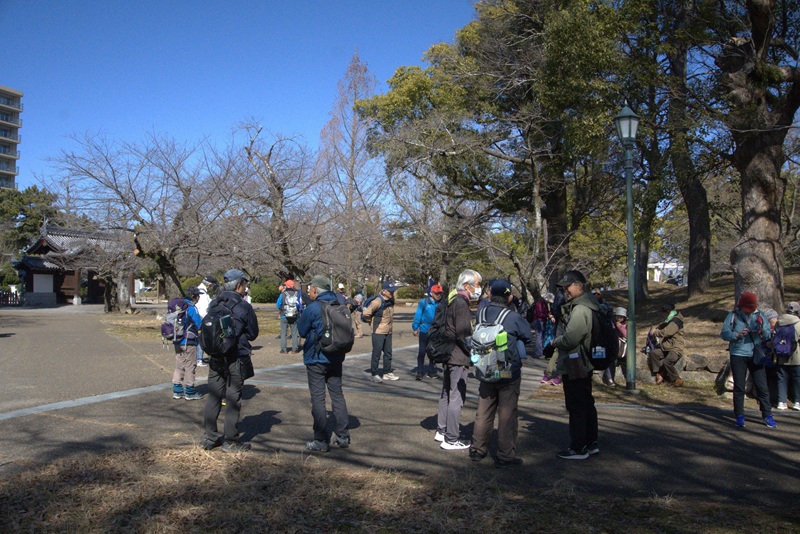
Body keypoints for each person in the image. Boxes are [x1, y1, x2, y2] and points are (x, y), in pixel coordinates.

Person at [468, 279, 532, 468]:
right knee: (507, 414)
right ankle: (505, 456)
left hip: (485, 368)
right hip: (506, 370)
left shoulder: (481, 313)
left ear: (490, 294)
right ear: (509, 297)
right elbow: (527, 336)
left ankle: (477, 449)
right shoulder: (512, 317)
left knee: (483, 410)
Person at [203, 269, 260, 452]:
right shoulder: (243, 306)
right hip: (235, 355)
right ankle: (231, 441)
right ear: (238, 285)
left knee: (214, 395)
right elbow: (253, 334)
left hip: (215, 355)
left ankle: (210, 437)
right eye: (244, 284)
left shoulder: (215, 303)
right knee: (233, 396)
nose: (245, 288)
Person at [547, 270, 599, 460]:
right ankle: (590, 443)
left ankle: (578, 447)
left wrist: (555, 342)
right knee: (586, 403)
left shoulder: (580, 309)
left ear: (579, 286)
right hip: (585, 362)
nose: (565, 291)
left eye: (568, 287)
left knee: (577, 405)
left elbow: (571, 339)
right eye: (563, 288)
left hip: (577, 363)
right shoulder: (590, 304)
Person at [297, 275, 351, 452]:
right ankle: (343, 436)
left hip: (316, 358)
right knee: (337, 395)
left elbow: (302, 331)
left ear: (315, 289)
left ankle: (320, 439)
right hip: (336, 356)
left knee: (318, 398)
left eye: (310, 289)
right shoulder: (339, 305)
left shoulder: (313, 308)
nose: (309, 292)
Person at [436, 269, 482, 451]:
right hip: (458, 355)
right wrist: (473, 353)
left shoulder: (452, 299)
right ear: (467, 285)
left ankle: (442, 430)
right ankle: (451, 437)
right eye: (477, 284)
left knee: (446, 394)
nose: (479, 288)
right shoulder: (462, 303)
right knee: (456, 396)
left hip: (448, 353)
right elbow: (463, 334)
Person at [720, 291, 775, 429]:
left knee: (762, 386)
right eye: (747, 308)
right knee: (739, 386)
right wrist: (737, 334)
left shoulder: (760, 315)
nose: (749, 311)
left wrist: (762, 332)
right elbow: (724, 333)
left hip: (756, 353)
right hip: (738, 353)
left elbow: (768, 333)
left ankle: (767, 414)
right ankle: (739, 415)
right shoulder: (733, 315)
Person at [172, 286, 204, 400]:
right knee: (190, 365)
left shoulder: (178, 306)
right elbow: (198, 324)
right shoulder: (192, 308)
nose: (199, 298)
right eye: (198, 296)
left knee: (179, 365)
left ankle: (177, 390)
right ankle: (190, 391)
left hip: (177, 339)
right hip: (189, 341)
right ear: (193, 296)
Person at [363, 281, 398, 382]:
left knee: (388, 353)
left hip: (388, 331)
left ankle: (387, 372)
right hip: (378, 332)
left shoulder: (391, 301)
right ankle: (374, 374)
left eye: (393, 291)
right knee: (376, 353)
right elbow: (366, 313)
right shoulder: (377, 301)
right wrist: (371, 322)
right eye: (390, 291)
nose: (392, 293)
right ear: (384, 291)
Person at [647, 303, 686, 386]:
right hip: (666, 347)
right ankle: (660, 373)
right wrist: (656, 328)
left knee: (667, 362)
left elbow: (667, 332)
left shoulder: (675, 321)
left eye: (663, 313)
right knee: (654, 353)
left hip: (675, 348)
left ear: (668, 312)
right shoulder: (669, 320)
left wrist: (656, 332)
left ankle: (676, 379)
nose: (663, 315)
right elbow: (662, 326)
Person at [412, 284, 444, 380]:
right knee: (422, 351)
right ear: (431, 293)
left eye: (440, 293)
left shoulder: (442, 303)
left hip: (436, 330)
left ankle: (431, 370)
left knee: (433, 351)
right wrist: (415, 327)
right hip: (424, 329)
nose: (438, 295)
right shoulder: (424, 302)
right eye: (436, 293)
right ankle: (420, 370)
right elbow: (418, 314)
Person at [775, 302, 800, 411]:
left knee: (781, 378)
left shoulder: (779, 322)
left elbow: (775, 337)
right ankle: (797, 402)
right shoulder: (798, 322)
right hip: (796, 355)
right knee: (797, 378)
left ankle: (781, 402)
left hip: (781, 355)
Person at [602, 307, 628, 387]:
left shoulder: (626, 325)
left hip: (624, 349)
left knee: (626, 362)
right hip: (613, 347)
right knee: (611, 361)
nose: (620, 318)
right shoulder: (611, 323)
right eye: (618, 316)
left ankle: (629, 380)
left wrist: (620, 327)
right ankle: (610, 379)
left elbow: (627, 335)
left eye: (622, 317)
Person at [195, 275, 217, 367]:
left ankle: (198, 358)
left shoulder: (198, 290)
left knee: (198, 339)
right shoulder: (202, 293)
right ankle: (199, 359)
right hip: (202, 318)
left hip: (197, 317)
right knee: (201, 339)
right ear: (209, 285)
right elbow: (204, 309)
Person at [276, 279, 303, 354]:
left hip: (284, 315)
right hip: (294, 315)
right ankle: (295, 349)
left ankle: (284, 349)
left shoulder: (283, 294)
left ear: (286, 286)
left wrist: (281, 309)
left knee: (283, 332)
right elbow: (299, 304)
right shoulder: (297, 294)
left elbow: (278, 304)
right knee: (294, 332)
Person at [531, 292, 552, 359]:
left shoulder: (543, 303)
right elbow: (539, 314)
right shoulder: (540, 304)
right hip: (539, 320)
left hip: (540, 320)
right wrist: (548, 315)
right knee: (539, 336)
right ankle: (539, 353)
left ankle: (540, 352)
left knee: (540, 337)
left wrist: (549, 314)